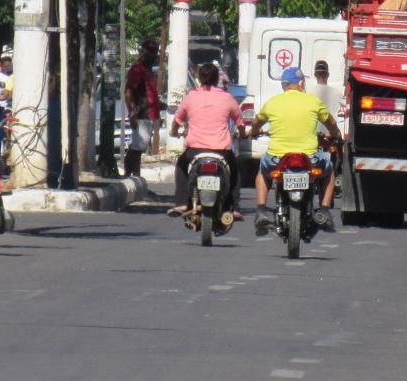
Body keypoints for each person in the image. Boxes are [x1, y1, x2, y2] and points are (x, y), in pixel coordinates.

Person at [250, 67, 342, 236]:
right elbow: (331, 123)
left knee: (263, 172)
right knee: (329, 171)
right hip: (309, 157)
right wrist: (334, 134)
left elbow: (256, 122)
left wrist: (254, 131)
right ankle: (325, 210)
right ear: (301, 83)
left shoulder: (273, 102)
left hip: (277, 158)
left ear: (283, 85)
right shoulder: (313, 101)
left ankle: (261, 209)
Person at [169, 63, 244, 220]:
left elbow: (177, 120)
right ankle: (235, 208)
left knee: (181, 166)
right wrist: (242, 134)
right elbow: (239, 122)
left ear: (199, 78)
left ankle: (182, 202)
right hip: (221, 150)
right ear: (217, 79)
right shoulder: (227, 98)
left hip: (194, 150)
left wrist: (174, 131)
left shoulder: (191, 97)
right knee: (235, 171)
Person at [124, 39, 162, 178]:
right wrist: (132, 111)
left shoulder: (148, 70)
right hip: (141, 113)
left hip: (148, 113)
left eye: (154, 52)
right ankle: (131, 176)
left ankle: (136, 177)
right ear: (142, 52)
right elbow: (128, 91)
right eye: (149, 52)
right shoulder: (138, 68)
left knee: (139, 147)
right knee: (136, 148)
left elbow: (148, 93)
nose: (152, 55)